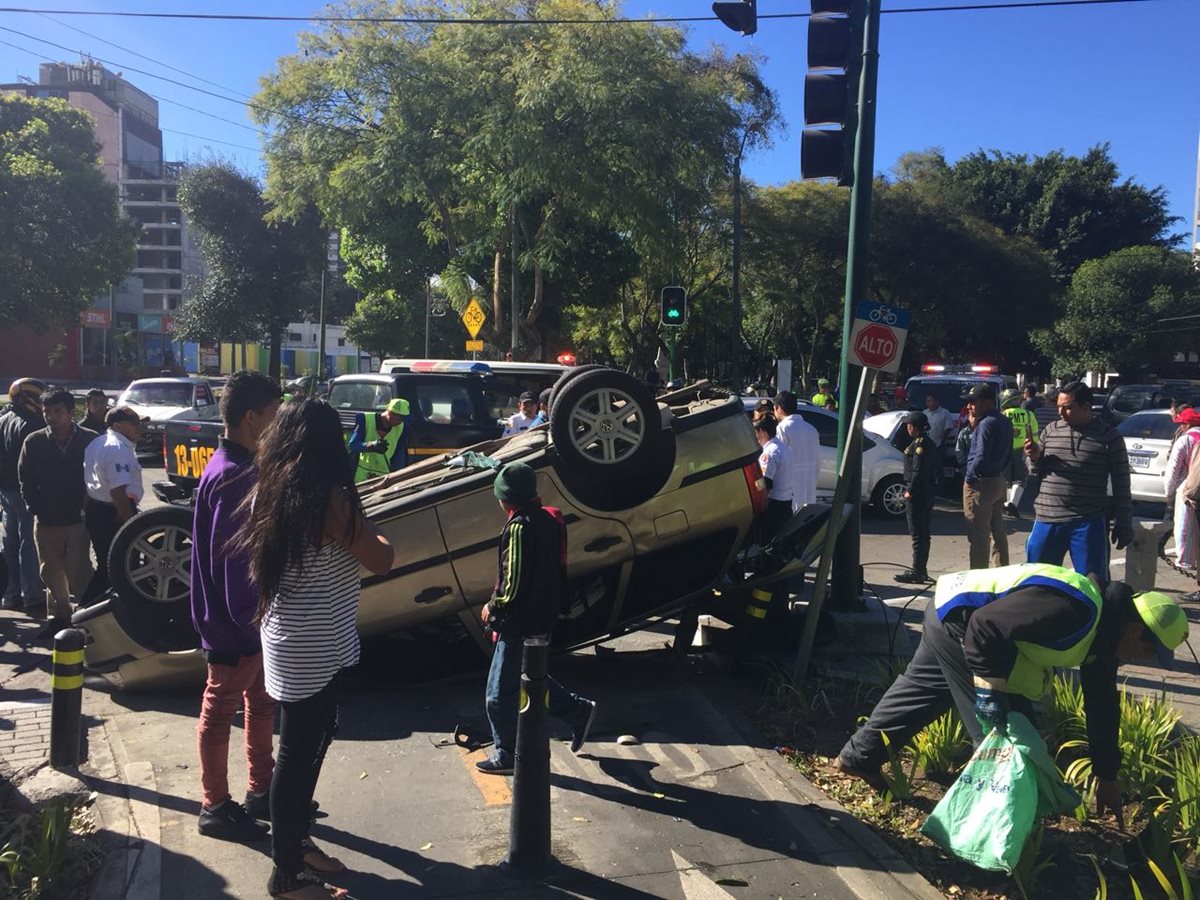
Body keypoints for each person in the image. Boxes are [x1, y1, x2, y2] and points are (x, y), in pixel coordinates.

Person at [834, 563, 1188, 829]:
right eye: (1150, 650)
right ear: (1134, 628)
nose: (1147, 660)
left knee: (926, 692)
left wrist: (1107, 776)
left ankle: (859, 757)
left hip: (954, 615)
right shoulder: (1075, 610)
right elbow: (984, 627)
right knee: (1003, 743)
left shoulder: (1105, 641)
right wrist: (989, 693)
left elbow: (1102, 705)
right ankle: (984, 835)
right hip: (963, 623)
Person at [239, 399, 394, 899]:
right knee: (300, 754)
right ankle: (287, 875)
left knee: (312, 742)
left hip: (294, 638)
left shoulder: (278, 485)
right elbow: (381, 559)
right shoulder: (330, 501)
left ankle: (296, 843)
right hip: (311, 645)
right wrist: (373, 531)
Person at [191, 372, 283, 843]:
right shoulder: (234, 475)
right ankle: (215, 803)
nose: (278, 424)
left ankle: (261, 788)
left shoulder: (237, 464)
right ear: (252, 418)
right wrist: (254, 624)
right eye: (274, 415)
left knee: (261, 703)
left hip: (250, 620)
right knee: (222, 703)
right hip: (236, 623)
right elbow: (236, 566)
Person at [476, 462, 598, 775]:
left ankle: (506, 754)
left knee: (498, 693)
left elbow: (512, 579)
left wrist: (494, 606)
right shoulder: (547, 519)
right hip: (542, 615)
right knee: (528, 676)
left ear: (507, 499)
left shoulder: (518, 527)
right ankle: (577, 711)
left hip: (519, 620)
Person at [1025, 381, 1131, 583]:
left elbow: (1121, 483)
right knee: (1037, 581)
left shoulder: (1110, 437)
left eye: (1067, 407)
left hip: (1087, 521)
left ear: (1086, 407)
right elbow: (1034, 471)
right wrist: (1035, 457)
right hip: (1047, 518)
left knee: (1092, 584)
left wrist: (1123, 522)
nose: (1061, 412)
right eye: (1058, 406)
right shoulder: (1051, 430)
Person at [17, 389, 97, 636]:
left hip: (78, 519)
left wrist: (88, 509)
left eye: (57, 411)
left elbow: (98, 477)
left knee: (79, 570)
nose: (51, 417)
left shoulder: (89, 439)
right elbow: (25, 479)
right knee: (50, 571)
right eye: (47, 411)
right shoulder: (35, 441)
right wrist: (34, 507)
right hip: (46, 519)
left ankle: (87, 616)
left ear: (71, 413)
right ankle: (59, 617)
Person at [81, 406, 144, 606]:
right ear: (117, 425)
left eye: (140, 423)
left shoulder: (97, 443)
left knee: (111, 565)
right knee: (117, 567)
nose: (139, 427)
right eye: (134, 423)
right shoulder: (116, 448)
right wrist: (130, 524)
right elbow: (118, 492)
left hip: (99, 509)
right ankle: (87, 609)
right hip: (115, 512)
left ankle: (96, 610)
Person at [0, 379, 47, 611]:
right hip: (23, 490)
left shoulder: (3, 419)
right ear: (26, 399)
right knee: (28, 541)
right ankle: (32, 594)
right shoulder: (30, 424)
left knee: (10, 540)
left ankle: (11, 593)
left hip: (5, 489)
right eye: (38, 399)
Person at [961, 384, 1013, 569]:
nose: (969, 407)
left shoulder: (986, 423)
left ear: (988, 403)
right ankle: (1002, 569)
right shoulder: (1003, 420)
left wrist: (969, 477)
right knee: (997, 530)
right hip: (998, 480)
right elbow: (1009, 453)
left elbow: (980, 455)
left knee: (978, 535)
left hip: (981, 484)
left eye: (973, 402)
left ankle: (978, 575)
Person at [896, 412, 935, 585]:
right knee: (922, 532)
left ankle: (917, 571)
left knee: (918, 534)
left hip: (918, 493)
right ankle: (920, 569)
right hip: (925, 492)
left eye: (909, 425)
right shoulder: (924, 443)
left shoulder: (920, 445)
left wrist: (909, 491)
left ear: (915, 427)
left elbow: (918, 471)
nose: (907, 428)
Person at [1165, 408, 1200, 583]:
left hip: (1188, 489)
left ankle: (1186, 560)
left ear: (1187, 424)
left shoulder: (1185, 440)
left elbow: (1173, 470)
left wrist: (1168, 493)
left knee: (1184, 527)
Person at [773, 391, 819, 512]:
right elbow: (817, 462)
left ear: (778, 408)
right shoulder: (812, 429)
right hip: (809, 485)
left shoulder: (782, 428)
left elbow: (780, 458)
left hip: (789, 489)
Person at [347, 398, 409, 483]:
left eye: (403, 418)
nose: (401, 421)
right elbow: (353, 445)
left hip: (384, 478)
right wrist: (372, 446)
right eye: (399, 417)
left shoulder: (402, 429)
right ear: (389, 412)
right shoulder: (366, 419)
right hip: (362, 476)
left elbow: (398, 459)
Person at [1000, 388, 1039, 519]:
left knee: (1006, 478)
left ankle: (1008, 503)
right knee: (1020, 478)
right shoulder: (1028, 415)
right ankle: (1012, 503)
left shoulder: (1003, 414)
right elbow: (1034, 435)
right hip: (1022, 450)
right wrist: (1034, 450)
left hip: (1005, 449)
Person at [923, 394, 953, 487]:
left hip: (938, 445)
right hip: (925, 446)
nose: (928, 403)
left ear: (937, 401)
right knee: (926, 468)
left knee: (938, 468)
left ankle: (940, 490)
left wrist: (941, 441)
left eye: (930, 400)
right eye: (927, 401)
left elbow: (948, 428)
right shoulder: (924, 413)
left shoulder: (944, 413)